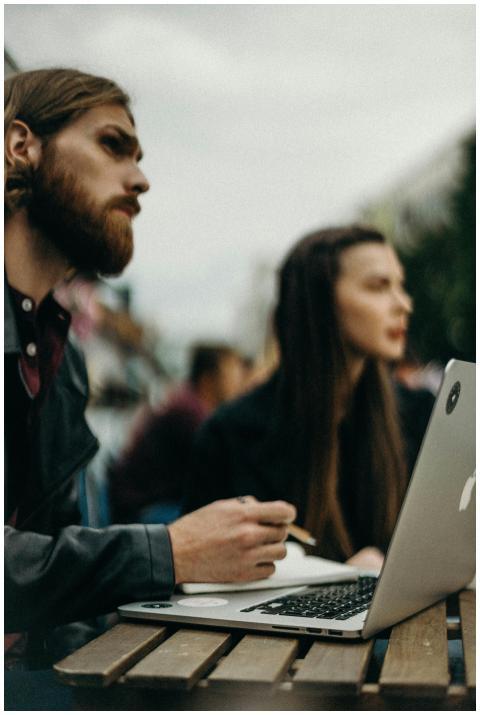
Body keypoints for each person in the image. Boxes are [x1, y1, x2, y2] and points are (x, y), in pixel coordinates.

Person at [4, 68, 295, 667]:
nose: (140, 180)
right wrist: (172, 550)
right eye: (112, 145)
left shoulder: (63, 360)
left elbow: (54, 576)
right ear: (20, 146)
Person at [184, 226, 435, 568]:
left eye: (400, 285)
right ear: (319, 301)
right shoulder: (230, 435)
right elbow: (202, 575)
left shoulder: (419, 414)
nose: (403, 304)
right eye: (379, 286)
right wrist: (340, 585)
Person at [108, 343, 246, 524]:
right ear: (208, 378)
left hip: (141, 502)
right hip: (144, 510)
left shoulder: (189, 400)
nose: (240, 381)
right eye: (232, 374)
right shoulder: (191, 414)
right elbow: (228, 466)